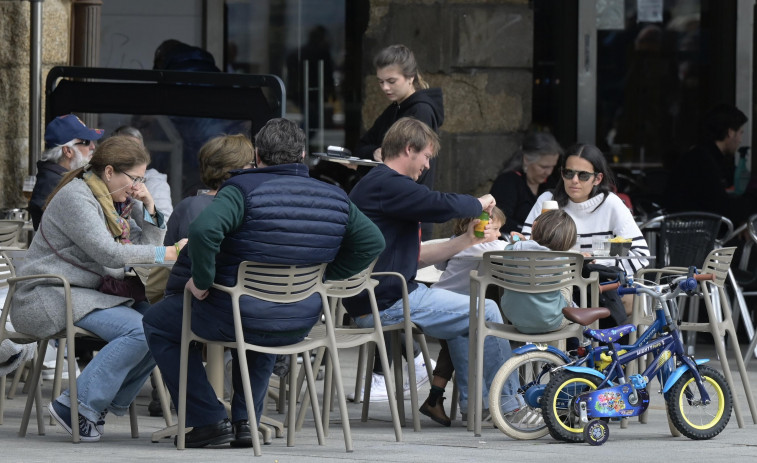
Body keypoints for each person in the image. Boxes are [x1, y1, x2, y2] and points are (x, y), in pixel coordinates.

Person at [142, 118, 385, 449]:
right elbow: (373, 242)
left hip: (232, 312)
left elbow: (202, 231)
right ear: (301, 154)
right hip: (299, 316)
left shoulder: (240, 190)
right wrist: (322, 277)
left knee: (157, 323)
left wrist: (202, 280)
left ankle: (209, 420)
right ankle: (246, 423)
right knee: (270, 317)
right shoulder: (335, 195)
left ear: (257, 155)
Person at [10, 136, 183, 442]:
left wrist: (150, 206)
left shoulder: (115, 204)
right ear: (109, 172)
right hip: (44, 296)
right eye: (135, 178)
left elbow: (147, 255)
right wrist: (167, 254)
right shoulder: (78, 198)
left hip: (82, 293)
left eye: (142, 179)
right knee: (141, 331)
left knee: (163, 327)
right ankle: (76, 407)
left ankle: (97, 406)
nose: (137, 185)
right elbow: (111, 254)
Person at [344, 117, 517, 424]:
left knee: (467, 316)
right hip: (384, 301)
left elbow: (417, 256)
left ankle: (477, 407)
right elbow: (438, 204)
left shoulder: (382, 186)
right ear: (409, 149)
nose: (426, 166)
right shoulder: (389, 183)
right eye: (426, 156)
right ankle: (508, 404)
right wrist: (478, 202)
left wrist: (466, 240)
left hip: (379, 295)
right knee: (487, 310)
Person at [521, 143, 650, 324]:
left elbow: (639, 253)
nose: (574, 180)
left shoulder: (610, 204)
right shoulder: (548, 201)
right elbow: (525, 250)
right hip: (553, 291)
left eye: (583, 175)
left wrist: (595, 259)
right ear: (561, 174)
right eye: (569, 173)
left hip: (600, 289)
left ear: (597, 179)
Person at [419, 207, 508, 426]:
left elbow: (440, 264)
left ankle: (436, 399)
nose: (498, 234)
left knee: (450, 351)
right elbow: (505, 248)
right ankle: (475, 407)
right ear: (477, 228)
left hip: (450, 301)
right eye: (495, 229)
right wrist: (515, 241)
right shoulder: (481, 246)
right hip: (447, 306)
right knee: (460, 343)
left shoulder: (457, 242)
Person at [354, 44, 444, 240]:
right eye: (381, 82)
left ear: (410, 78)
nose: (385, 88)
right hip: (397, 206)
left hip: (407, 210)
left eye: (391, 81)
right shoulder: (395, 109)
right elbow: (362, 146)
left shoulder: (420, 111)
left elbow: (414, 164)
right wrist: (374, 153)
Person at [666, 103, 755, 225]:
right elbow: (723, 208)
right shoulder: (703, 161)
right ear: (730, 133)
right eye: (740, 133)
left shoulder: (707, 157)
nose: (740, 140)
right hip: (696, 235)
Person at [501, 209, 577, 334]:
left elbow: (528, 254)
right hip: (552, 321)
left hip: (516, 319)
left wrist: (520, 243)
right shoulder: (562, 259)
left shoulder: (509, 250)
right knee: (566, 281)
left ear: (534, 226)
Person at [29, 114, 104, 230]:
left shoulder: (61, 178)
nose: (93, 146)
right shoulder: (54, 184)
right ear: (68, 151)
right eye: (86, 142)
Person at [489, 132, 562, 234]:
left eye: (552, 167)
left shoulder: (550, 183)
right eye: (543, 167)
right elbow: (500, 220)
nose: (549, 172)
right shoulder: (507, 182)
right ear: (527, 159)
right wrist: (529, 230)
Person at [111, 125, 174, 221]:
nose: (132, 156)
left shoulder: (155, 181)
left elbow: (164, 224)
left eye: (136, 150)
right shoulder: (102, 180)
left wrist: (147, 204)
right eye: (124, 150)